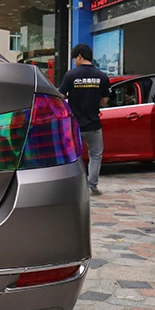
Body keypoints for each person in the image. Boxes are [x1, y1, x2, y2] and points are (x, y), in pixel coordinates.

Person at [59, 44, 110, 196]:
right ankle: (92, 186)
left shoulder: (70, 75)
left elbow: (60, 97)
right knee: (95, 155)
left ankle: (72, 186)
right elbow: (105, 100)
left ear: (80, 56)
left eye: (74, 58)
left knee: (71, 156)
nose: (74, 62)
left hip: (74, 125)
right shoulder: (102, 76)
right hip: (93, 124)